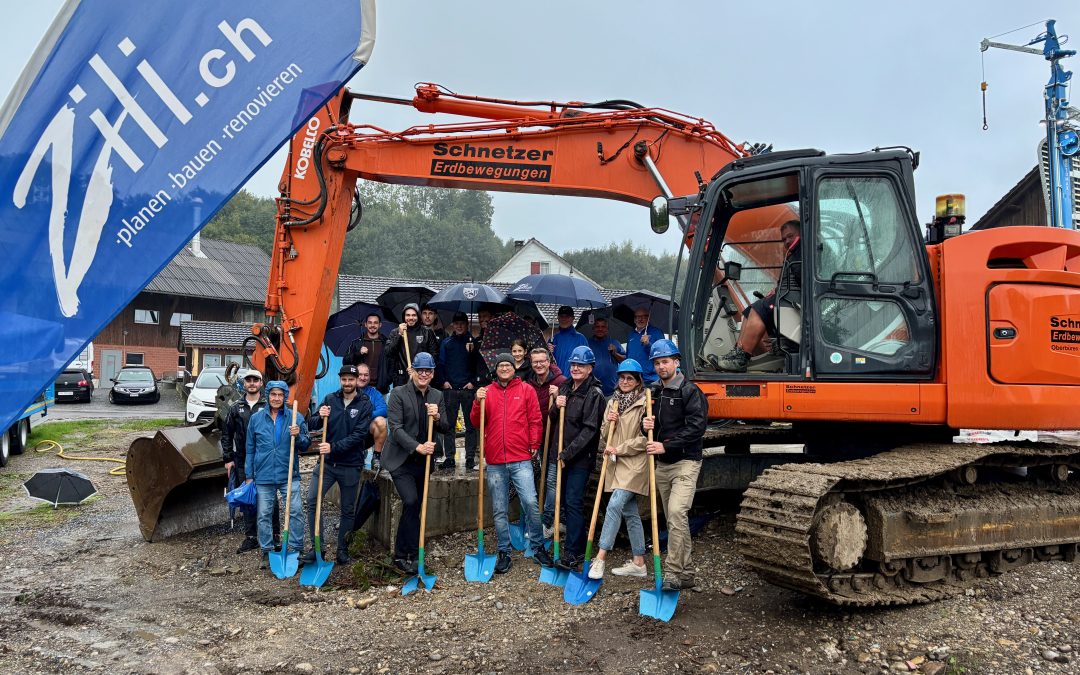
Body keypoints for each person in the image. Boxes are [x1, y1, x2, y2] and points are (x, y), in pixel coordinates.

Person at [470, 353, 555, 572]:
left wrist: (534, 442)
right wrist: (477, 401)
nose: (505, 368)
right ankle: (504, 551)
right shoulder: (487, 392)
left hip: (521, 458)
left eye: (508, 365)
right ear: (496, 369)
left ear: (514, 369)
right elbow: (475, 421)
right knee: (499, 509)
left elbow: (536, 419)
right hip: (496, 459)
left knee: (530, 503)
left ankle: (537, 547)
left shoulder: (526, 390)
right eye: (501, 365)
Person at [641, 339, 707, 591]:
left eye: (665, 361)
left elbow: (697, 428)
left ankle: (672, 573)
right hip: (663, 465)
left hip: (686, 462)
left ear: (676, 362)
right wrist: (644, 426)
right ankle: (688, 573)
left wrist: (666, 445)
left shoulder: (690, 391)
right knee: (674, 520)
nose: (661, 367)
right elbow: (649, 429)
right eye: (657, 363)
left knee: (678, 513)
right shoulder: (653, 392)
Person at [382, 353, 449, 574]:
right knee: (410, 501)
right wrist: (417, 446)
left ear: (432, 373)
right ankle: (404, 553)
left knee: (417, 505)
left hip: (424, 462)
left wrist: (437, 417)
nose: (424, 374)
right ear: (413, 371)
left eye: (428, 371)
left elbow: (447, 427)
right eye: (420, 370)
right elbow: (396, 428)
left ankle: (410, 552)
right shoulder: (398, 394)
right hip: (400, 460)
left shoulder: (437, 395)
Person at [304, 365, 374, 565]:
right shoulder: (330, 399)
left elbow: (359, 436)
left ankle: (342, 550)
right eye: (344, 379)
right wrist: (319, 415)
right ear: (340, 380)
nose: (347, 383)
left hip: (350, 465)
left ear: (357, 380)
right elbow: (313, 424)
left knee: (348, 510)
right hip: (327, 464)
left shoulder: (364, 404)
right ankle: (318, 548)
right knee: (312, 502)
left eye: (351, 379)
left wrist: (332, 447)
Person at [589, 359, 650, 579]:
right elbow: (605, 436)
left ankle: (600, 558)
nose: (625, 381)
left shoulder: (645, 403)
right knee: (630, 512)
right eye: (622, 377)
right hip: (617, 464)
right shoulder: (612, 402)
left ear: (638, 381)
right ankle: (639, 562)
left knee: (614, 504)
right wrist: (609, 422)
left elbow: (645, 440)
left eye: (630, 378)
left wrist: (619, 448)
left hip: (635, 464)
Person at [717, 219, 802, 372]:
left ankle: (742, 357)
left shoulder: (802, 252)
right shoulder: (795, 254)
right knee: (750, 310)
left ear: (801, 233)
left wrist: (780, 292)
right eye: (784, 239)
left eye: (790, 236)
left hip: (797, 303)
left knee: (760, 308)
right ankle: (738, 351)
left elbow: (802, 279)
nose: (787, 241)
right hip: (789, 299)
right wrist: (777, 290)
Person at [550, 345, 605, 571]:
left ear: (590, 368)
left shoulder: (594, 394)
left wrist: (567, 454)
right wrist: (556, 405)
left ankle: (574, 551)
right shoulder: (565, 387)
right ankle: (574, 544)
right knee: (563, 503)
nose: (576, 368)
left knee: (573, 502)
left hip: (580, 458)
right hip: (562, 455)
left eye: (581, 365)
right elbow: (553, 418)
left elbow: (589, 431)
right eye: (573, 364)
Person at [244, 380, 310, 570]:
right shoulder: (256, 419)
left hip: (288, 473)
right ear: (267, 396)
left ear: (285, 397)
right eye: (273, 394)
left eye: (280, 395)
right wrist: (250, 475)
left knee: (296, 511)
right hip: (263, 475)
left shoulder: (295, 417)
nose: (276, 398)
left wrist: (298, 435)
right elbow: (250, 449)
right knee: (264, 514)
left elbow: (305, 446)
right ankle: (267, 550)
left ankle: (297, 548)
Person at [221, 369, 279, 554]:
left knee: (270, 496)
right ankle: (251, 536)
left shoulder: (268, 405)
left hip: (265, 459)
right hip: (243, 458)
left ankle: (275, 534)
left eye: (256, 380)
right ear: (244, 384)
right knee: (247, 497)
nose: (252, 383)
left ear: (261, 383)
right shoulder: (235, 407)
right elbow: (227, 434)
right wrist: (228, 458)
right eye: (249, 380)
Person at [437, 312, 482, 471]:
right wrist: (444, 382)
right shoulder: (447, 342)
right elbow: (441, 364)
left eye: (462, 323)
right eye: (456, 323)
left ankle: (470, 457)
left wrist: (472, 382)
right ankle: (449, 457)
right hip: (451, 390)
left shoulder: (474, 343)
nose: (459, 326)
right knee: (449, 425)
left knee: (470, 426)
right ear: (453, 325)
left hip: (468, 390)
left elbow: (479, 366)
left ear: (467, 324)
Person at [386, 303, 440, 388]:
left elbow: (434, 356)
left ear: (418, 316)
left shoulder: (427, 332)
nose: (411, 318)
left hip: (422, 377)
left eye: (414, 315)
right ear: (404, 316)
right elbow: (388, 352)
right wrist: (399, 335)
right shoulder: (395, 332)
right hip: (401, 378)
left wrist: (418, 369)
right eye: (408, 315)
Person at [344, 312, 390, 393]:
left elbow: (392, 364)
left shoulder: (386, 343)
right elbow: (345, 362)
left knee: (381, 406)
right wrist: (358, 353)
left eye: (375, 323)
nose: (372, 325)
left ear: (380, 325)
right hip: (360, 388)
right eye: (370, 322)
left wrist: (387, 380)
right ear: (365, 324)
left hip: (381, 389)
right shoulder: (357, 343)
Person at [355, 362, 388, 461]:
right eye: (360, 374)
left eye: (366, 375)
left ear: (369, 377)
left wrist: (367, 415)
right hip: (349, 432)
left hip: (367, 432)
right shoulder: (347, 391)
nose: (363, 378)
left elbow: (384, 410)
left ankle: (376, 456)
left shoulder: (374, 393)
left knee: (381, 421)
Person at [586, 317, 626, 396]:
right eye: (597, 327)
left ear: (607, 329)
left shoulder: (615, 343)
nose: (600, 329)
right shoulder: (587, 344)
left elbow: (624, 361)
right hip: (591, 391)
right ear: (593, 329)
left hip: (612, 391)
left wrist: (615, 353)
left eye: (603, 327)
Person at [624, 308, 665, 384]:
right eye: (638, 317)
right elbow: (628, 355)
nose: (641, 319)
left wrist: (648, 344)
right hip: (634, 379)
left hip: (650, 380)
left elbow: (662, 354)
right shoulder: (631, 335)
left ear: (648, 318)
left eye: (644, 316)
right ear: (634, 319)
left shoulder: (656, 332)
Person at [549, 306, 587, 375]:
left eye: (567, 316)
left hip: (574, 381)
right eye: (561, 316)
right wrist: (548, 352)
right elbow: (546, 363)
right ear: (558, 318)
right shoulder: (553, 339)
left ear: (573, 318)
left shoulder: (581, 339)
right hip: (556, 380)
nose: (564, 319)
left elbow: (586, 363)